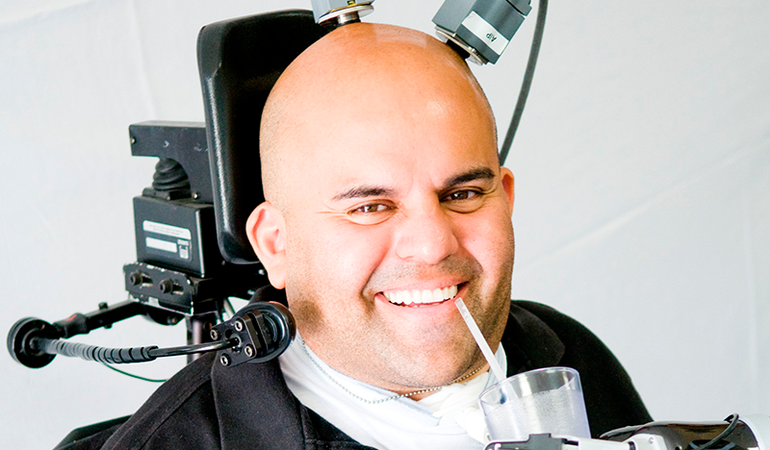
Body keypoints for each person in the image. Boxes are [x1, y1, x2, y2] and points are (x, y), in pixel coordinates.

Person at [87, 21, 650, 450]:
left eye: (462, 195)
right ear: (276, 244)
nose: (432, 245)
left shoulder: (570, 356)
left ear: (505, 197)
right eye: (371, 207)